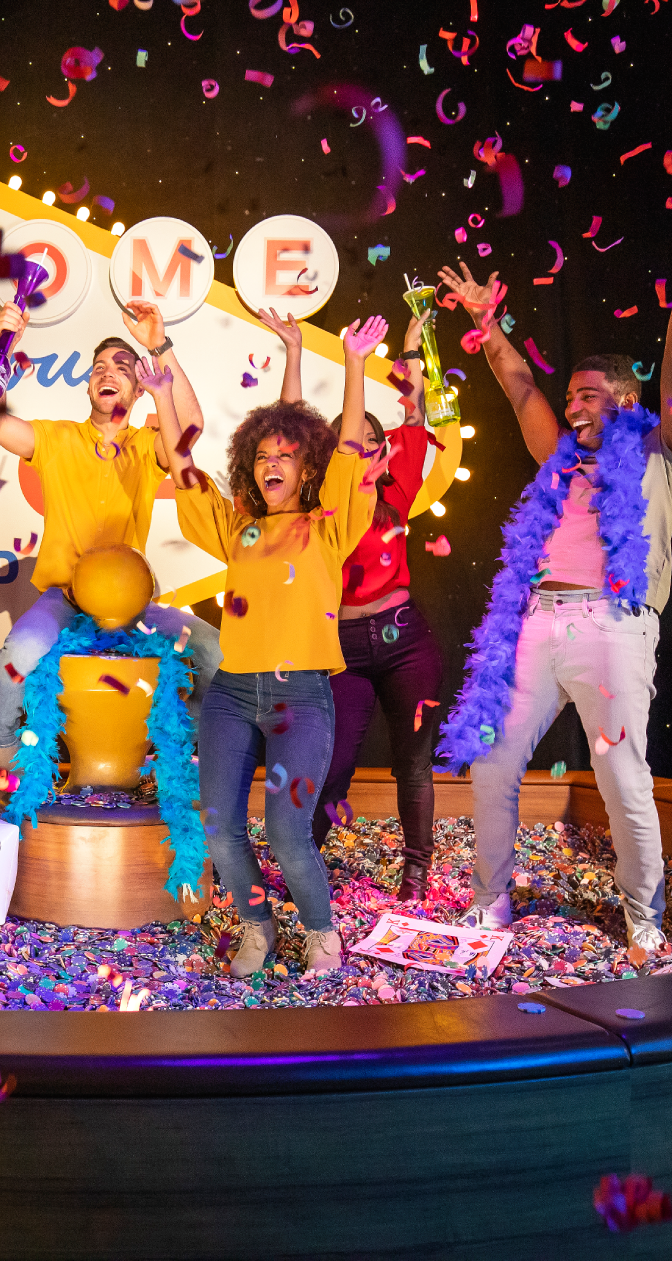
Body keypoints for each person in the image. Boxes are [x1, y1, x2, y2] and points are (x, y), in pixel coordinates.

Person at [436, 182, 672, 966]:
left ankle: (642, 916)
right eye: (573, 397)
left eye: (590, 396)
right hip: (539, 622)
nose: (574, 407)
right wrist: (484, 323)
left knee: (620, 773)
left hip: (614, 625)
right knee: (493, 761)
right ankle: (489, 905)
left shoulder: (666, 453)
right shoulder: (558, 456)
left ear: (629, 400)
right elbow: (520, 384)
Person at [167, 314, 383, 977]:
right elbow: (183, 471)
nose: (272, 464)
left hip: (301, 696)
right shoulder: (240, 527)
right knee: (221, 830)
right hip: (232, 693)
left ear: (308, 465)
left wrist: (353, 362)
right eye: (262, 456)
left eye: (286, 455)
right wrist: (158, 388)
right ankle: (256, 927)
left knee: (289, 833)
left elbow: (347, 445)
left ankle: (321, 933)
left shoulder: (330, 523)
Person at [0, 299, 222, 769]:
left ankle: (179, 748)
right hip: (65, 600)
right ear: (89, 384)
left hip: (133, 606)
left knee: (214, 652)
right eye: (100, 367)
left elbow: (188, 429)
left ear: (141, 388)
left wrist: (161, 346)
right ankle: (5, 749)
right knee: (11, 668)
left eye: (124, 367)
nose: (109, 372)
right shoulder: (56, 438)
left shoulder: (150, 445)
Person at [259, 306, 446, 904]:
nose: (361, 449)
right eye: (349, 443)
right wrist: (291, 351)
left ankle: (416, 876)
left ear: (384, 449)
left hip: (403, 638)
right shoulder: (317, 501)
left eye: (371, 440)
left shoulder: (400, 485)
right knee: (330, 765)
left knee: (413, 765)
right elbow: (286, 430)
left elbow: (415, 410)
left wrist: (415, 342)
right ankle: (300, 866)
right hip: (339, 645)